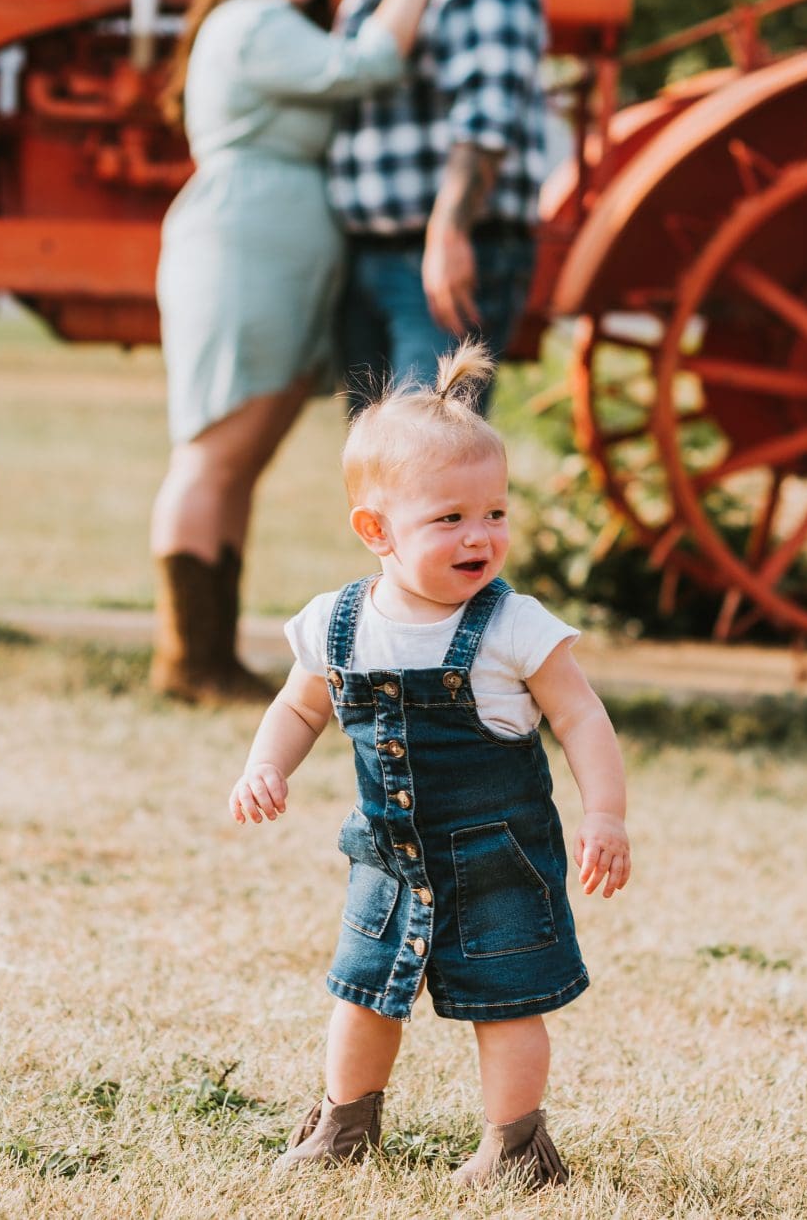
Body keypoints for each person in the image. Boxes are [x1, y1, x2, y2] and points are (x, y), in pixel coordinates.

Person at [227, 343, 632, 1190]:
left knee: (507, 1001)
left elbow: (581, 716)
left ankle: (516, 1145)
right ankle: (345, 1122)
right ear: (376, 529)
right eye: (449, 518)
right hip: (387, 854)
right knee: (363, 991)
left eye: (495, 511)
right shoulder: (338, 622)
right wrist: (268, 764)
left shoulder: (514, 625)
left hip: (498, 860)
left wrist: (605, 814)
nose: (481, 534)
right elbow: (302, 707)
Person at [150, 0, 496, 702]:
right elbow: (371, 61)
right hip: (244, 247)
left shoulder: (280, 26)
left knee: (241, 457)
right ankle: (186, 657)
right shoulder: (254, 19)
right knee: (213, 451)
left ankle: (210, 652)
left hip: (278, 252)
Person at [328, 0, 551, 413]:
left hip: (441, 255)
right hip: (373, 259)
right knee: (381, 469)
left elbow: (488, 115)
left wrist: (448, 232)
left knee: (430, 469)